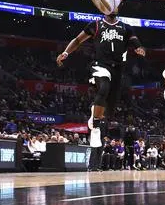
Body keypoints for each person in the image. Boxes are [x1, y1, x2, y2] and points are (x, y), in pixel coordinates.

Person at [57, 13, 146, 166]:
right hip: (100, 65)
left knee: (109, 111)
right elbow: (78, 40)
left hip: (117, 70)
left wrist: (139, 48)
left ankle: (95, 114)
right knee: (103, 87)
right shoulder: (96, 25)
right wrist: (66, 52)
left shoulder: (126, 28)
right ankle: (96, 124)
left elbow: (135, 41)